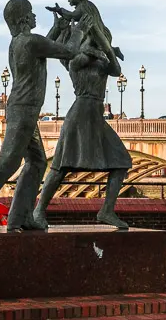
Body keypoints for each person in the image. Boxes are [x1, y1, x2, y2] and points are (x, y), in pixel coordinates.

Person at [0, 0, 75, 232]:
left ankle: (20, 217)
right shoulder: (30, 42)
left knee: (37, 161)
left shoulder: (20, 42)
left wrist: (59, 28)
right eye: (31, 13)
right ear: (23, 19)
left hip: (26, 111)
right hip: (23, 110)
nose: (34, 17)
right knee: (9, 159)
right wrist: (86, 31)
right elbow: (70, 51)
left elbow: (45, 44)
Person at [33, 12, 133, 231]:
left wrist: (106, 49)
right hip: (80, 113)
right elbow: (81, 56)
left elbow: (116, 70)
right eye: (96, 37)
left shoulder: (103, 59)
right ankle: (39, 211)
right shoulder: (76, 60)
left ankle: (106, 211)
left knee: (121, 162)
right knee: (60, 167)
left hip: (96, 115)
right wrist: (97, 47)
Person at [46, 0, 123, 63]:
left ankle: (101, 54)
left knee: (81, 47)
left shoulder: (83, 6)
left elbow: (73, 16)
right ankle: (114, 50)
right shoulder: (88, 4)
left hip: (93, 34)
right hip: (98, 32)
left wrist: (60, 10)